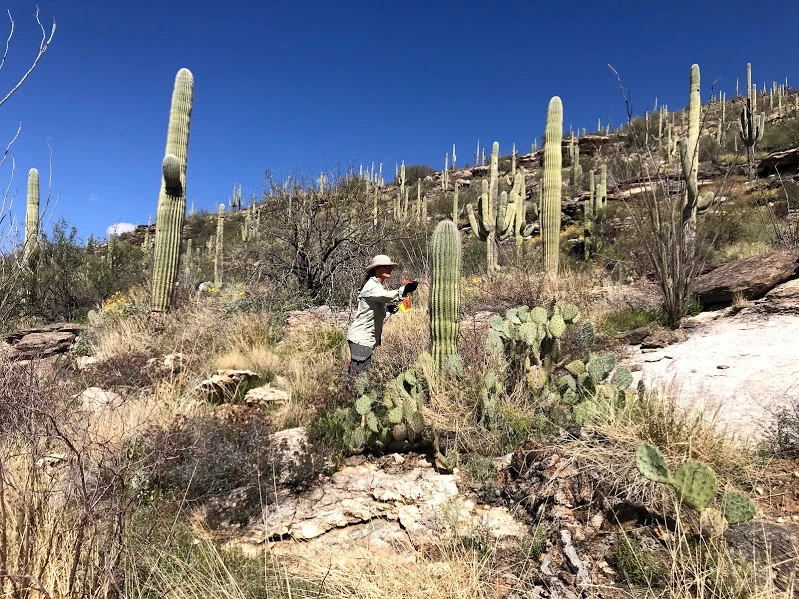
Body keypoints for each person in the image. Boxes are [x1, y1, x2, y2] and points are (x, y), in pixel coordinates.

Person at [346, 254, 418, 375]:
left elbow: (373, 309)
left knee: (360, 374)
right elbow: (385, 296)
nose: (389, 269)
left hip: (365, 340)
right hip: (361, 340)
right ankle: (349, 394)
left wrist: (388, 310)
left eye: (390, 267)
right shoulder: (371, 286)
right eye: (385, 266)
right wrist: (404, 290)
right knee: (357, 377)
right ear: (376, 269)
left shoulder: (376, 285)